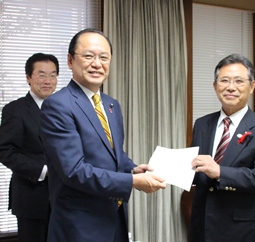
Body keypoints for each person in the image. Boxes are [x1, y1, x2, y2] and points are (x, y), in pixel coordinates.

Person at [39, 28, 166, 242]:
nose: (97, 64)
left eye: (104, 57)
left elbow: (114, 154)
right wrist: (133, 181)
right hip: (79, 225)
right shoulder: (58, 105)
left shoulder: (111, 105)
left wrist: (132, 168)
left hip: (114, 218)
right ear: (70, 61)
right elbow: (74, 171)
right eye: (88, 56)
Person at [189, 54, 255, 242]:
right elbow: (197, 171)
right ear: (215, 86)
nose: (231, 87)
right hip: (202, 227)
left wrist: (220, 172)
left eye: (239, 81)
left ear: (252, 86)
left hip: (242, 230)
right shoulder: (202, 124)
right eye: (224, 81)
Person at [0, 53, 59, 242]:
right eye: (41, 75)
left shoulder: (63, 109)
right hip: (32, 198)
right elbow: (6, 151)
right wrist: (44, 171)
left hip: (64, 197)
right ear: (28, 77)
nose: (48, 81)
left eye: (53, 75)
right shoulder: (15, 110)